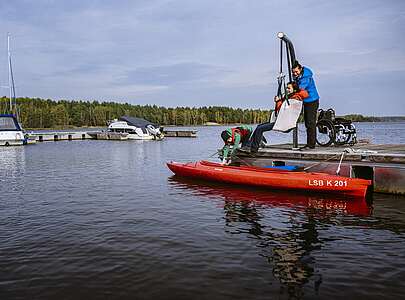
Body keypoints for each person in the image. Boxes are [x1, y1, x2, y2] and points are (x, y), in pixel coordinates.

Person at [246, 81, 309, 153]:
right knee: (259, 126)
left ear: (294, 90)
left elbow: (284, 109)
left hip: (283, 124)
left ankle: (253, 151)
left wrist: (278, 101)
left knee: (260, 129)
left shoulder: (294, 99)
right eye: (286, 88)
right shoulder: (290, 98)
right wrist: (280, 100)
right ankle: (251, 145)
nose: (287, 90)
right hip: (281, 121)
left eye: (289, 88)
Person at [292, 61, 320, 149]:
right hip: (306, 101)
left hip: (312, 100)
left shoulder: (306, 77)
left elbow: (300, 88)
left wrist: (292, 89)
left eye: (296, 71)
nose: (295, 73)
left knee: (310, 123)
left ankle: (311, 145)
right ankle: (310, 143)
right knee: (307, 123)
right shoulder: (299, 76)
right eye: (293, 72)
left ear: (300, 69)